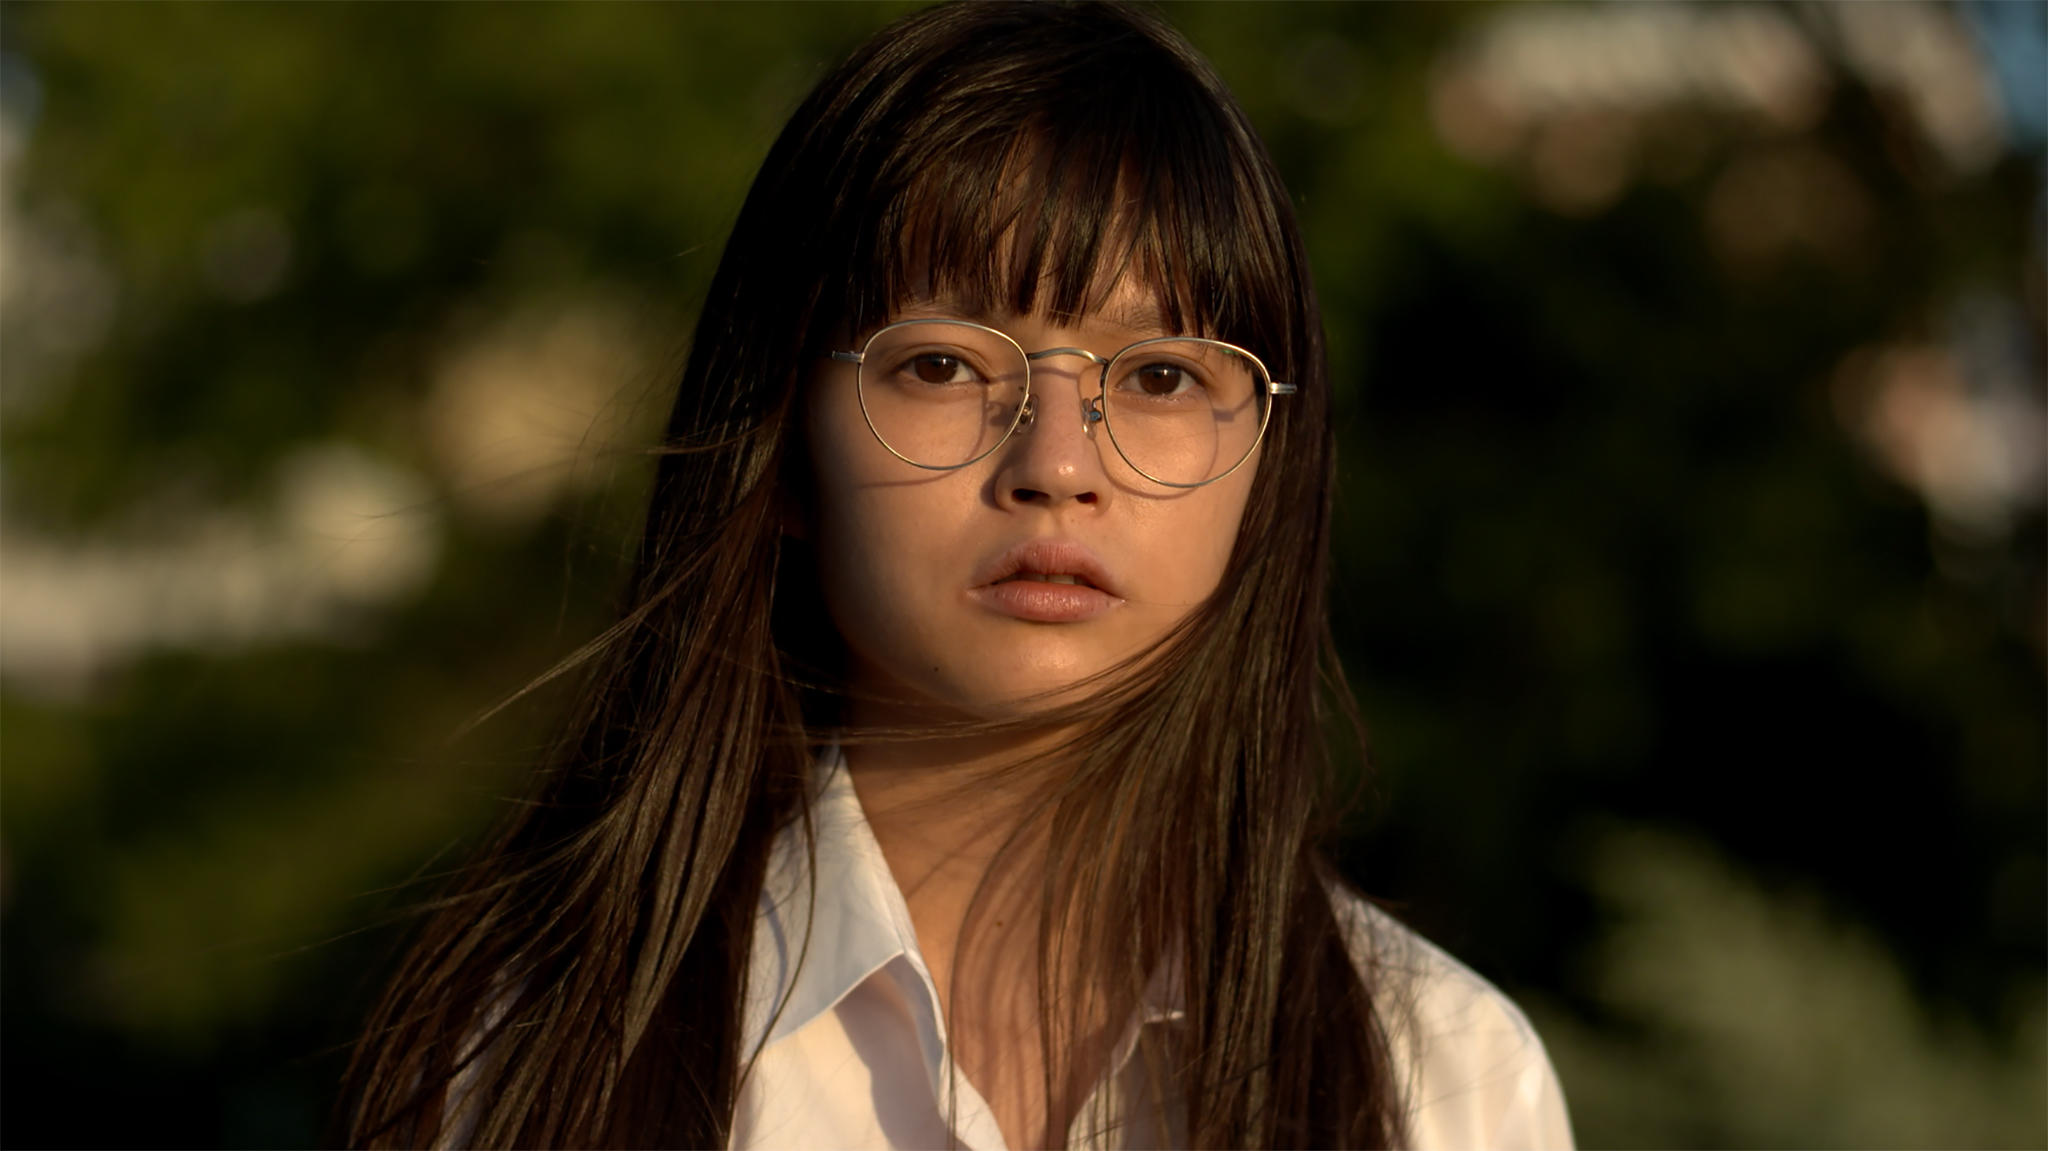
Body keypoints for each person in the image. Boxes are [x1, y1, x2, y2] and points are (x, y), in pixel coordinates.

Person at [343, 3, 1574, 1148]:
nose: (1054, 465)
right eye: (938, 366)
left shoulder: (1436, 1076)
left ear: (1269, 464)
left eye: (1158, 377)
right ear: (778, 444)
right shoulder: (545, 1051)